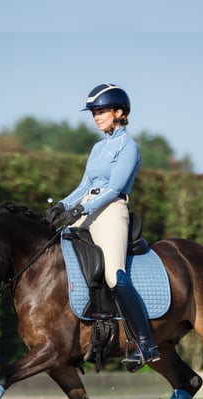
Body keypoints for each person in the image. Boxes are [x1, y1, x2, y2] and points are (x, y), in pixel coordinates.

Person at [47, 83, 160, 369]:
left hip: (110, 212)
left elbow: (113, 188)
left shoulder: (128, 147)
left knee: (114, 275)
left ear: (119, 112)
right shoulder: (98, 148)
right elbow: (85, 185)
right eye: (94, 113)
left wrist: (81, 208)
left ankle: (146, 343)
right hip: (85, 211)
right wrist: (62, 204)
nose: (96, 117)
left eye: (101, 112)